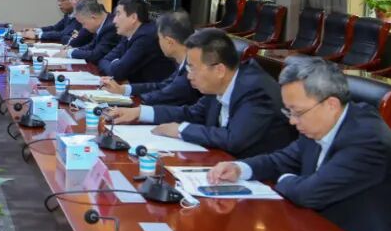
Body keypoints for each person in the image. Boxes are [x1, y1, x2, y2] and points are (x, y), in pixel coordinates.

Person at [208, 57, 391, 231]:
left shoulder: (368, 140)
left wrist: (284, 179)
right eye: (289, 111)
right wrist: (240, 168)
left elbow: (309, 194)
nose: (292, 121)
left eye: (297, 112)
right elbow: (283, 159)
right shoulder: (318, 124)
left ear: (331, 104)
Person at [107, 28, 295, 157]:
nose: (189, 75)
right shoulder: (220, 84)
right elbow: (192, 113)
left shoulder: (255, 89)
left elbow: (233, 139)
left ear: (219, 70)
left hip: (264, 183)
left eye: (193, 68)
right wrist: (139, 112)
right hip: (223, 163)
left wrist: (180, 130)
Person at [102, 10, 199, 106]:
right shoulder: (183, 62)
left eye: (159, 38)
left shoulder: (191, 70)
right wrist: (123, 89)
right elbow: (162, 86)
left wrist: (137, 103)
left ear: (169, 42)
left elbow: (166, 94)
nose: (158, 43)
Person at [98, 0, 175, 84]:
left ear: (133, 18)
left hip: (154, 90)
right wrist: (116, 64)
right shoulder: (129, 33)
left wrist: (114, 64)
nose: (114, 20)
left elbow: (118, 72)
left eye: (118, 14)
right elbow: (103, 60)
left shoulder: (146, 37)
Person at [65, 0, 120, 64]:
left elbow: (95, 55)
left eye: (83, 23)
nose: (83, 27)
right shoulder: (103, 24)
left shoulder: (110, 27)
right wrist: (72, 50)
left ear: (93, 18)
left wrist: (69, 53)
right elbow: (91, 46)